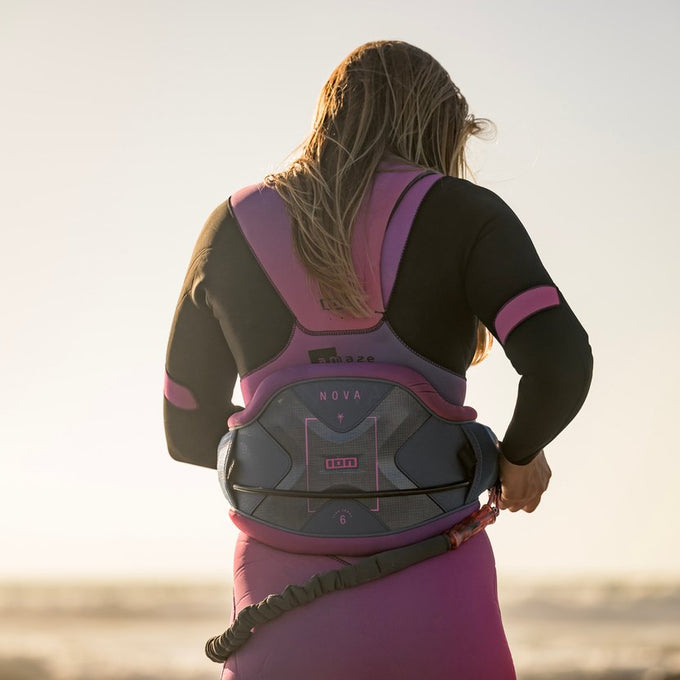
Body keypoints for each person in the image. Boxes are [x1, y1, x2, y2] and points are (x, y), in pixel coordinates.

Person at [164, 40, 593, 680]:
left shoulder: (233, 224)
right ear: (441, 128)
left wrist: (299, 460)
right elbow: (560, 364)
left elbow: (185, 427)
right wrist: (518, 453)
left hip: (281, 608)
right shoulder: (465, 214)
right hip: (439, 598)